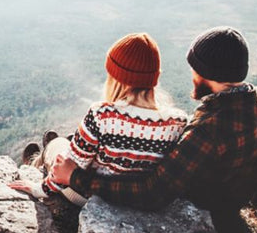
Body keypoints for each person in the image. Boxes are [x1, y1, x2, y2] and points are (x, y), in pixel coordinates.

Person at [50, 26, 257, 233]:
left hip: (209, 214)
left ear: (205, 73)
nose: (191, 75)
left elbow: (152, 193)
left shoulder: (206, 131)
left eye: (194, 68)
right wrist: (251, 198)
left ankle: (47, 152)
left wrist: (76, 177)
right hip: (239, 201)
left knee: (60, 146)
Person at [12, 32, 189, 204]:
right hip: (139, 199)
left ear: (117, 78)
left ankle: (34, 163)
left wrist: (38, 189)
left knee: (57, 146)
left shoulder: (102, 115)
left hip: (89, 197)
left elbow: (69, 167)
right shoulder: (178, 122)